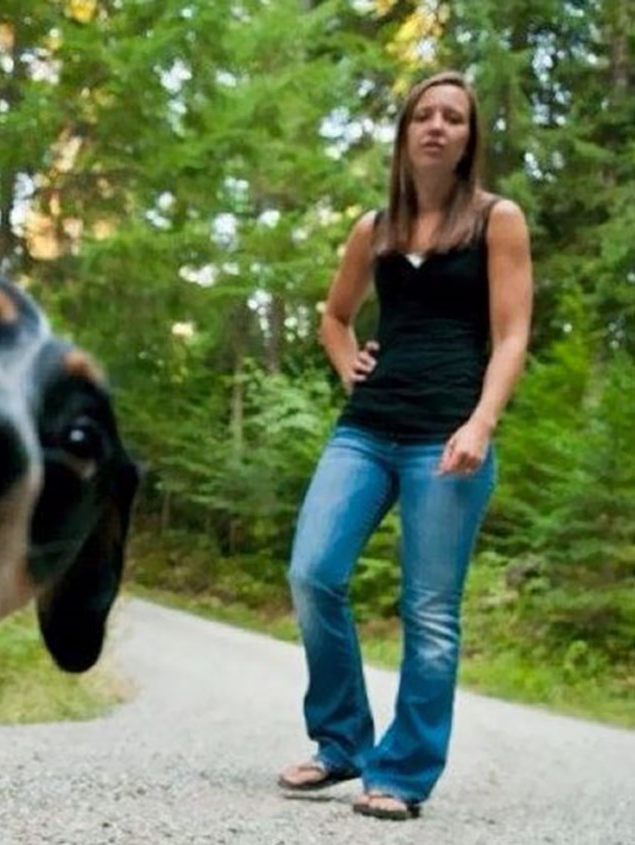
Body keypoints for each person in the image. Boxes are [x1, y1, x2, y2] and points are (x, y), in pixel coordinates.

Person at [277, 70, 533, 820]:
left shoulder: (497, 219)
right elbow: (334, 315)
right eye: (424, 113)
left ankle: (404, 772)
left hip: (447, 435)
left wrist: (482, 421)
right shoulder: (374, 229)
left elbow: (513, 332)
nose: (437, 125)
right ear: (405, 132)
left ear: (467, 139)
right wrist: (346, 362)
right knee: (312, 572)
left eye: (453, 117)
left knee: (429, 610)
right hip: (366, 429)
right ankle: (341, 742)